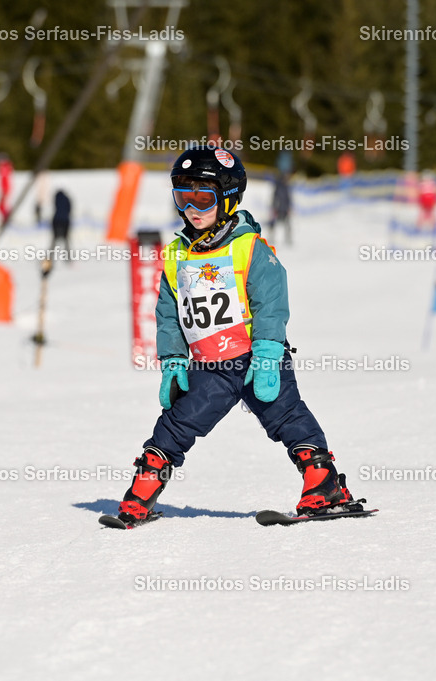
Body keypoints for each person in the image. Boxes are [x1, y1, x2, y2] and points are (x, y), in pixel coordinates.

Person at [110, 146, 361, 525]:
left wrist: (268, 351)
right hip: (210, 365)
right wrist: (173, 359)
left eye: (202, 198)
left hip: (256, 358)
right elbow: (168, 312)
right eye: (182, 197)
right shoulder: (177, 255)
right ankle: (142, 489)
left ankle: (323, 483)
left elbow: (271, 300)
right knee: (176, 423)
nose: (191, 209)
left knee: (286, 415)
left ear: (227, 199)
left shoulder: (248, 248)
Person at [269, 171, 292, 245]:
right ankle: (271, 238)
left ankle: (288, 239)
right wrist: (274, 207)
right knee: (273, 224)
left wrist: (289, 207)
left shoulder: (286, 187)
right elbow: (275, 198)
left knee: (287, 225)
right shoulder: (278, 187)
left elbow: (288, 199)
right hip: (278, 209)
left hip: (284, 209)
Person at [50, 189, 72, 259]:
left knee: (54, 239)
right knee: (66, 239)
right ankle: (68, 256)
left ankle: (51, 255)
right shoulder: (67, 199)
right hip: (65, 221)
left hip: (56, 220)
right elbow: (69, 209)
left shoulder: (56, 199)